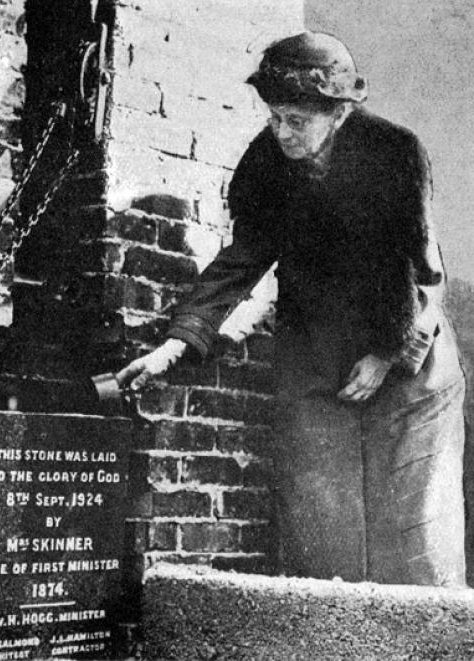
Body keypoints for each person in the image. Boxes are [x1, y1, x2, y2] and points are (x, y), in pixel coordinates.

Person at [112, 31, 466, 586]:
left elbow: (422, 274)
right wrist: (176, 344)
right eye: (274, 116)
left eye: (296, 120)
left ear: (339, 112)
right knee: (322, 547)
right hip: (317, 356)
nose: (280, 131)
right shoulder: (267, 162)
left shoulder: (395, 153)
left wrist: (385, 355)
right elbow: (241, 261)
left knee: (415, 545)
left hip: (409, 357)